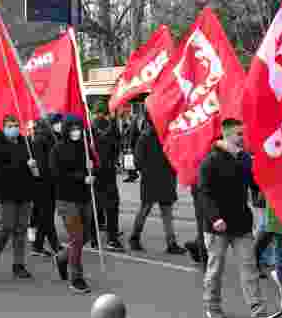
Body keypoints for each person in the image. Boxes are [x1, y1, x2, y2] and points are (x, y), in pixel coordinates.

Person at [196, 118, 281, 318]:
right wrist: (215, 218)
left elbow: (254, 181)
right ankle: (212, 306)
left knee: (249, 268)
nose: (243, 138)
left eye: (243, 133)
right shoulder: (211, 160)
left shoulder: (244, 158)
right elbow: (204, 194)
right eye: (239, 134)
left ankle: (258, 312)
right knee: (215, 269)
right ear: (227, 135)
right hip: (218, 227)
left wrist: (270, 177)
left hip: (241, 223)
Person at [0, 114, 40, 278]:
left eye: (16, 125)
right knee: (6, 227)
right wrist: (24, 165)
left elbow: (35, 169)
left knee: (21, 230)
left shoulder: (27, 143)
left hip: (24, 192)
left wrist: (34, 168)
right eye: (10, 126)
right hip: (5, 193)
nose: (14, 128)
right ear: (4, 128)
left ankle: (18, 265)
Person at [49, 115, 94, 294]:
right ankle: (76, 277)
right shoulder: (57, 149)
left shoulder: (85, 147)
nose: (76, 131)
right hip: (66, 199)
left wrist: (93, 168)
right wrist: (82, 178)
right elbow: (57, 175)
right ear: (66, 129)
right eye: (73, 128)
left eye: (78, 128)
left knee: (86, 236)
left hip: (84, 197)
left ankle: (62, 257)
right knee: (76, 237)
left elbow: (93, 165)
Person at [129, 122, 184, 254]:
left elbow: (137, 161)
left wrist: (145, 170)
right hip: (163, 178)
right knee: (164, 213)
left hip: (153, 178)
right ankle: (170, 243)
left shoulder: (146, 135)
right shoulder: (168, 134)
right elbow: (177, 156)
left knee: (147, 209)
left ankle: (135, 238)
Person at [89, 111, 125, 251]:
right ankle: (111, 238)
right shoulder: (108, 134)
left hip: (98, 174)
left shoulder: (91, 136)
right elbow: (116, 149)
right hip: (105, 174)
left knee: (98, 208)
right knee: (110, 207)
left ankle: (95, 238)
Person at [29, 116, 62, 257]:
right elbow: (43, 164)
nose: (60, 125)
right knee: (46, 215)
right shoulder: (41, 140)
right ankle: (55, 245)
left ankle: (38, 245)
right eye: (57, 123)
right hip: (43, 183)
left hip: (48, 182)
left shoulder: (51, 138)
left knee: (46, 215)